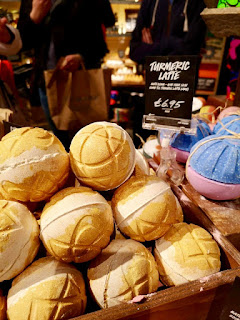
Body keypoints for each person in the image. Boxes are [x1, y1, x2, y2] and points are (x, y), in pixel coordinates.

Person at [17, 0, 115, 150]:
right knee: (57, 143)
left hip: (83, 78)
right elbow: (21, 43)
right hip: (47, 81)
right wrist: (34, 17)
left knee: (90, 141)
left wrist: (82, 57)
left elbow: (106, 26)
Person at [130, 0, 206, 65]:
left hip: (184, 78)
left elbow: (192, 50)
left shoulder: (197, 2)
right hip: (155, 79)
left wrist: (154, 47)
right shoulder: (150, 2)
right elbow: (135, 52)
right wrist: (176, 44)